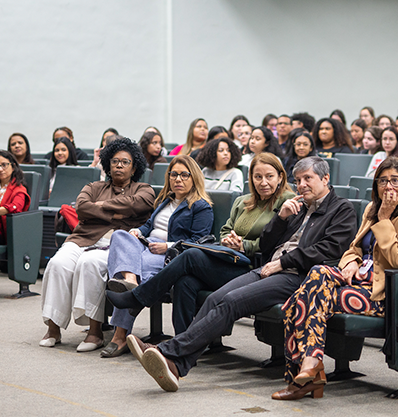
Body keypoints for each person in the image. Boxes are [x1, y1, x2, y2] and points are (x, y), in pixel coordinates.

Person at [114, 156, 357, 392]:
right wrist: (281, 218)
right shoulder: (297, 208)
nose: (301, 185)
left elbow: (329, 249)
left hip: (299, 277)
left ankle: (167, 351)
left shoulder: (341, 209)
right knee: (214, 298)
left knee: (230, 302)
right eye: (298, 180)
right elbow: (269, 244)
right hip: (269, 268)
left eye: (308, 179)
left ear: (325, 179)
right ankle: (177, 364)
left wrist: (283, 262)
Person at [273, 157, 398, 400]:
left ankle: (305, 375)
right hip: (355, 281)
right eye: (383, 181)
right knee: (317, 273)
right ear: (376, 185)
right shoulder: (371, 209)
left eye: (396, 181)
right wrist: (351, 263)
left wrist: (386, 220)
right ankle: (310, 368)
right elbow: (353, 249)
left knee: (298, 301)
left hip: (381, 291)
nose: (389, 187)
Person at [107, 153, 296, 336]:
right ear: (251, 178)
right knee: (185, 282)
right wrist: (228, 240)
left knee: (190, 255)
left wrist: (244, 245)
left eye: (269, 176)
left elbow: (278, 243)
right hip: (231, 260)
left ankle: (139, 296)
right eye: (258, 177)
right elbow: (225, 230)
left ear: (280, 177)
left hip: (254, 268)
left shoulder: (287, 202)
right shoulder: (243, 201)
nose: (263, 182)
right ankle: (181, 343)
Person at [39, 138, 155, 351]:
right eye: (115, 161)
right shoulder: (93, 186)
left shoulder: (144, 188)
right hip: (83, 238)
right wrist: (118, 212)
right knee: (57, 264)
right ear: (108, 165)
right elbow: (82, 208)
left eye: (125, 162)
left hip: (115, 245)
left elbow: (138, 203)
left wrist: (101, 206)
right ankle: (53, 328)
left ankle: (95, 332)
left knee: (89, 263)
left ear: (134, 167)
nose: (119, 165)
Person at [102, 155, 213, 358]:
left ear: (194, 177)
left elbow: (199, 242)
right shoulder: (164, 200)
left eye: (184, 175)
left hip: (169, 255)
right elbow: (150, 226)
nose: (177, 179)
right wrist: (138, 231)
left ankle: (119, 336)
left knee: (140, 266)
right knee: (119, 235)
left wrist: (167, 246)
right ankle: (131, 282)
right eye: (173, 174)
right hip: (146, 245)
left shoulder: (201, 206)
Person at [0, 151, 30, 273]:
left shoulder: (18, 188)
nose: (0, 169)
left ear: (13, 166)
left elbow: (15, 207)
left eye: (4, 165)